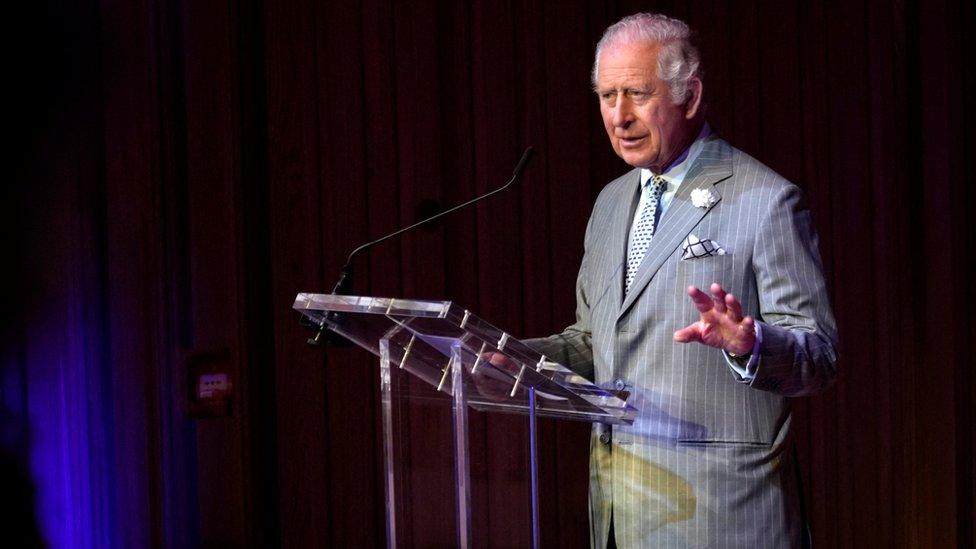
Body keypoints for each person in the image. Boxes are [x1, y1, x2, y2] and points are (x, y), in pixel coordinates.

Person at [527, 13, 838, 548]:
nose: (618, 116)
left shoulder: (766, 201)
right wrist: (512, 358)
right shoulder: (610, 204)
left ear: (689, 97)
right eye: (606, 96)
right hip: (622, 515)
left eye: (636, 94)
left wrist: (751, 344)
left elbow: (820, 355)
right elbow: (596, 341)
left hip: (725, 518)